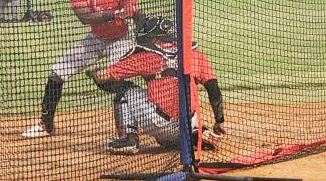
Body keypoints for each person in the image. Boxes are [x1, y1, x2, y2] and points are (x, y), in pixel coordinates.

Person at [21, 0, 141, 138]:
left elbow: (137, 13)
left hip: (122, 38)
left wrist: (133, 10)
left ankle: (128, 131)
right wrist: (115, 14)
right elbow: (84, 17)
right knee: (57, 72)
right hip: (97, 38)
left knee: (110, 77)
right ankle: (46, 124)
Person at [89, 17, 226, 154]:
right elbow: (214, 91)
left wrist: (94, 73)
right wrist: (219, 121)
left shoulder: (146, 57)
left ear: (154, 38)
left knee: (125, 90)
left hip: (161, 124)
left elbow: (103, 77)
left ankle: (129, 140)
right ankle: (197, 132)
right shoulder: (194, 55)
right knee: (187, 97)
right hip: (188, 123)